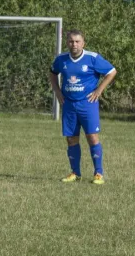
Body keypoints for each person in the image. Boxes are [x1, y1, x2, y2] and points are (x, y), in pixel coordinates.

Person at [49, 29, 117, 185]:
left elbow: (112, 72)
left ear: (83, 43)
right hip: (68, 105)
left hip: (88, 104)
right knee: (71, 139)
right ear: (67, 43)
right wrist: (58, 92)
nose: (74, 44)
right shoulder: (61, 59)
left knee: (92, 137)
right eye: (71, 41)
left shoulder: (92, 58)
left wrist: (99, 90)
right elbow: (52, 74)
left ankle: (98, 174)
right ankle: (75, 173)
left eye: (77, 41)